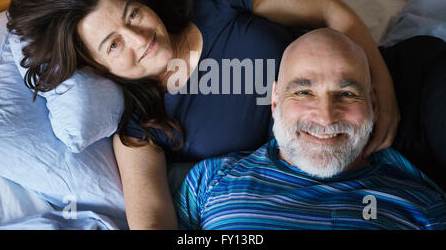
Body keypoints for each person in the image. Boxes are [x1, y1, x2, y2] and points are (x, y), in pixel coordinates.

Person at [6, 0, 400, 229]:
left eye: (133, 14)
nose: (139, 37)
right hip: (337, 185)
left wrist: (385, 90)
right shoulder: (140, 128)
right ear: (96, 66)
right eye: (113, 44)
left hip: (376, 95)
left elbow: (332, 13)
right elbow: (153, 223)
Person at [175, 28, 446, 230]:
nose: (326, 118)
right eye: (304, 92)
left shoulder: (424, 205)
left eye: (347, 94)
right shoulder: (209, 181)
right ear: (275, 100)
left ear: (373, 102)